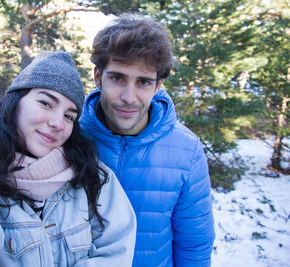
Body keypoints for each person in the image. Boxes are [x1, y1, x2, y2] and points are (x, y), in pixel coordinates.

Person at [0, 50, 136, 266]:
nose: (58, 122)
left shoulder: (91, 175)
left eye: (69, 116)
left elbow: (115, 251)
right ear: (15, 102)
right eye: (46, 103)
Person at [79, 14, 215, 266]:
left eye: (143, 82)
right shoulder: (69, 137)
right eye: (118, 78)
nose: (129, 97)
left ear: (158, 85)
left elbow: (193, 246)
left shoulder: (187, 151)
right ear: (98, 76)